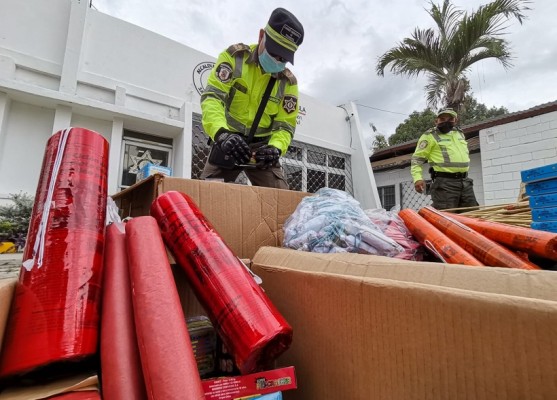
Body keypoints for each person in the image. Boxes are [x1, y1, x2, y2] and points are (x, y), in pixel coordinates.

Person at [199, 7, 304, 189]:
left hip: (262, 150)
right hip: (228, 142)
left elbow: (285, 126)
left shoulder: (289, 83)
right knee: (206, 195)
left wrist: (276, 148)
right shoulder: (233, 57)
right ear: (261, 35)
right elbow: (212, 99)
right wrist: (222, 135)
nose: (278, 61)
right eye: (274, 52)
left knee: (282, 200)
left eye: (283, 57)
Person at [411, 108, 479, 210]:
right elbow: (417, 159)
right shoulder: (429, 136)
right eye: (442, 119)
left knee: (472, 216)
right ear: (436, 121)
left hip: (465, 182)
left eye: (450, 119)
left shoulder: (459, 134)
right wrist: (417, 179)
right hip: (445, 184)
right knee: (447, 219)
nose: (446, 122)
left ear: (455, 121)